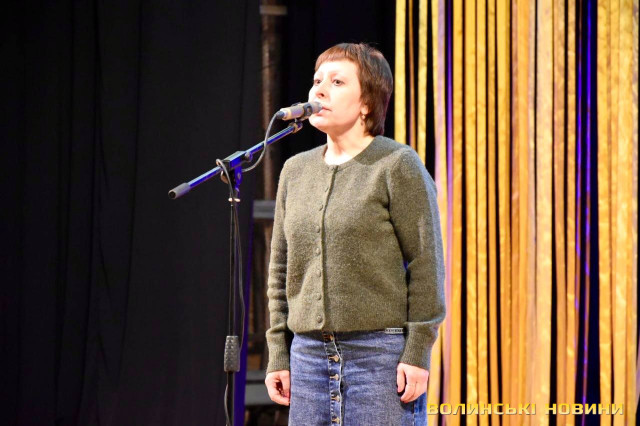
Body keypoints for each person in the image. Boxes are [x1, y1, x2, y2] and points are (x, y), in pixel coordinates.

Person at [264, 43, 446, 425]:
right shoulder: (295, 171)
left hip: (378, 359)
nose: (319, 90)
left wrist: (417, 351)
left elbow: (426, 263)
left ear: (366, 102)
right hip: (307, 360)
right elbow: (280, 270)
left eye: (337, 82)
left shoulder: (396, 164)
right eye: (317, 80)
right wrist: (278, 351)